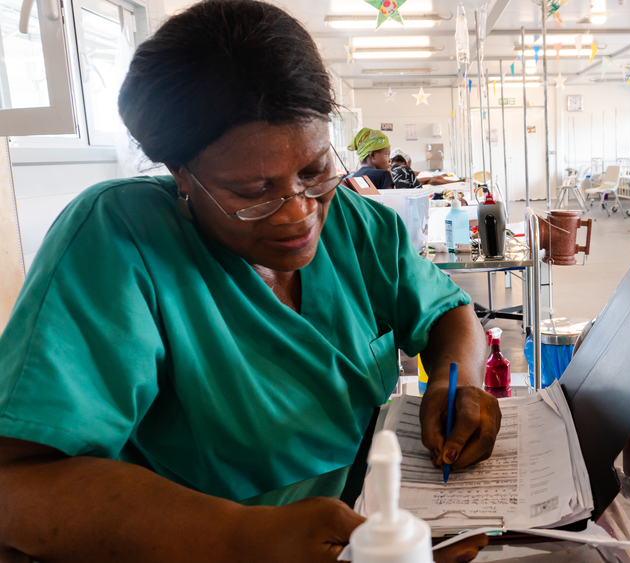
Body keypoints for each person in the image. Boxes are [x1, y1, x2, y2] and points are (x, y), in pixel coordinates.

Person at [0, 2, 495, 562]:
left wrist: (460, 383)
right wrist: (238, 537)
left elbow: (449, 314)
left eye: (313, 171)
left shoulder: (359, 225)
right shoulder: (120, 240)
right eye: (252, 191)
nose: (297, 213)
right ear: (179, 173)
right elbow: (16, 484)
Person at [390, 148, 463, 188]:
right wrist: (432, 177)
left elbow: (415, 173)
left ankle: (457, 181)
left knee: (433, 180)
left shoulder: (389, 171)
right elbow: (418, 187)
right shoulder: (405, 170)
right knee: (433, 180)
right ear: (407, 162)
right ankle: (458, 181)